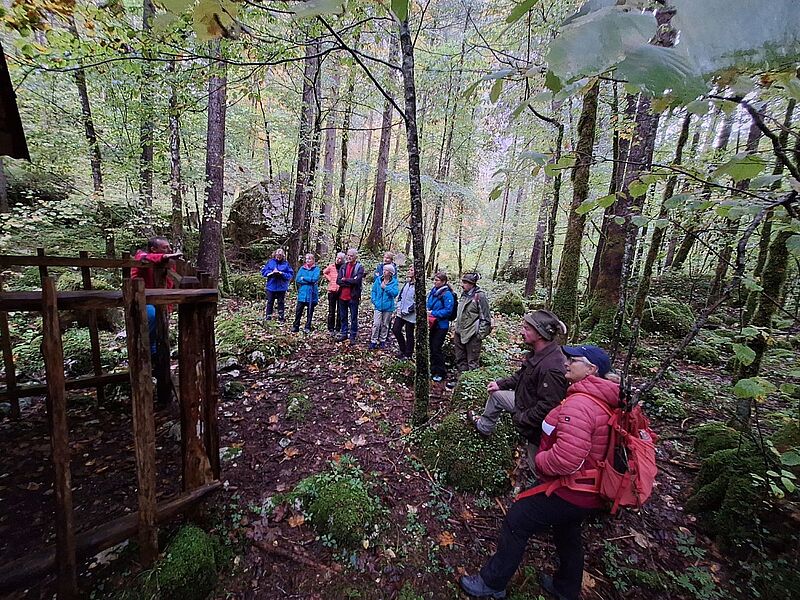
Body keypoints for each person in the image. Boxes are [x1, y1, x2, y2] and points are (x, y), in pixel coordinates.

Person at [460, 345, 616, 600]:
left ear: (592, 369)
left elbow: (566, 459)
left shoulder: (582, 405)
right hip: (590, 489)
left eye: (573, 360)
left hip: (574, 489)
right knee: (567, 531)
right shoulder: (598, 396)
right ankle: (566, 588)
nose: (566, 363)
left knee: (518, 519)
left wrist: (541, 462)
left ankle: (492, 583)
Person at [468, 310, 568, 471]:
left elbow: (548, 408)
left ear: (541, 334)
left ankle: (536, 491)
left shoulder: (552, 368)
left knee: (537, 465)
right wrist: (501, 384)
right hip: (524, 401)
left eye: (527, 329)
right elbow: (521, 375)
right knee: (496, 396)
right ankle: (484, 427)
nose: (522, 332)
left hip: (538, 428)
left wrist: (521, 418)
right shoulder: (538, 353)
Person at [131, 237, 182, 355]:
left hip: (159, 300)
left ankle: (157, 354)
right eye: (165, 248)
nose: (169, 250)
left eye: (169, 247)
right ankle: (147, 352)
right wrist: (164, 257)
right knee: (152, 318)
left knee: (161, 324)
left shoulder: (168, 262)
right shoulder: (142, 256)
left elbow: (169, 284)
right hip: (141, 298)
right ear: (153, 249)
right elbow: (144, 258)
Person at [451, 272, 492, 380]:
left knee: (472, 361)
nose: (462, 285)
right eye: (462, 282)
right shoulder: (464, 294)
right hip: (459, 332)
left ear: (472, 283)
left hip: (472, 334)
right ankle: (461, 381)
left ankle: (471, 384)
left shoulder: (480, 296)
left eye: (465, 282)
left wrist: (479, 335)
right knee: (460, 359)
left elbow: (485, 318)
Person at [426, 272, 456, 382]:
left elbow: (448, 311)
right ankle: (432, 369)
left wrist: (433, 313)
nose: (435, 282)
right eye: (434, 280)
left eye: (437, 280)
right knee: (431, 347)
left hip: (441, 326)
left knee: (436, 348)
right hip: (432, 323)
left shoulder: (447, 294)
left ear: (443, 282)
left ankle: (440, 372)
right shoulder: (433, 291)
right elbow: (428, 303)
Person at [336, 248, 366, 345]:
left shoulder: (359, 267)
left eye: (351, 256)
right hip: (342, 296)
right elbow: (338, 281)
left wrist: (345, 280)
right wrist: (349, 281)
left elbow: (357, 281)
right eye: (348, 255)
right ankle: (344, 333)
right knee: (343, 316)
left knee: (353, 317)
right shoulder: (343, 267)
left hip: (353, 296)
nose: (349, 257)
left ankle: (353, 335)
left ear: (355, 257)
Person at [369, 263, 398, 349]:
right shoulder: (378, 280)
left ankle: (382, 340)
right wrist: (374, 301)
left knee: (385, 324)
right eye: (384, 270)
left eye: (386, 271)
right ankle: (373, 340)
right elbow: (373, 291)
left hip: (388, 307)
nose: (384, 272)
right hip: (378, 306)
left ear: (391, 273)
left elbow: (395, 293)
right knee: (376, 324)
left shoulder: (394, 282)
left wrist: (386, 287)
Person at [261, 248, 294, 322]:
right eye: (277, 255)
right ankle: (268, 317)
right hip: (271, 286)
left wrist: (282, 273)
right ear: (275, 255)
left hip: (281, 287)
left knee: (281, 302)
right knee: (270, 302)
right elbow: (264, 271)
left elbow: (290, 275)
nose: (278, 257)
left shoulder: (286, 264)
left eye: (280, 256)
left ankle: (281, 318)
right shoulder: (270, 262)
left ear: (283, 256)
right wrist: (270, 273)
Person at [292, 253, 320, 333]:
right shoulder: (302, 268)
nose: (308, 260)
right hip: (302, 294)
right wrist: (308, 280)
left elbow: (314, 279)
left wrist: (304, 278)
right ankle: (296, 326)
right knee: (298, 311)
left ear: (313, 260)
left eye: (309, 259)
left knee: (310, 312)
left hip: (312, 294)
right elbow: (297, 279)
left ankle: (307, 327)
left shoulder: (316, 269)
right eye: (307, 259)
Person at [392, 266, 416, 359]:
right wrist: (398, 306)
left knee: (409, 334)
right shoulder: (407, 283)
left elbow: (416, 302)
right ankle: (403, 349)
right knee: (395, 329)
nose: (409, 271)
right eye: (409, 269)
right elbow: (401, 296)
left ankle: (408, 354)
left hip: (410, 315)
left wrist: (408, 311)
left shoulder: (418, 286)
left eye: (411, 270)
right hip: (401, 312)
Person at [323, 252, 346, 336]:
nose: (338, 260)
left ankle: (338, 328)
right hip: (332, 291)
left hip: (341, 291)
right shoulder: (331, 266)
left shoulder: (344, 268)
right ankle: (330, 328)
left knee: (340, 311)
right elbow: (324, 272)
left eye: (340, 258)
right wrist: (330, 279)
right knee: (331, 311)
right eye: (337, 258)